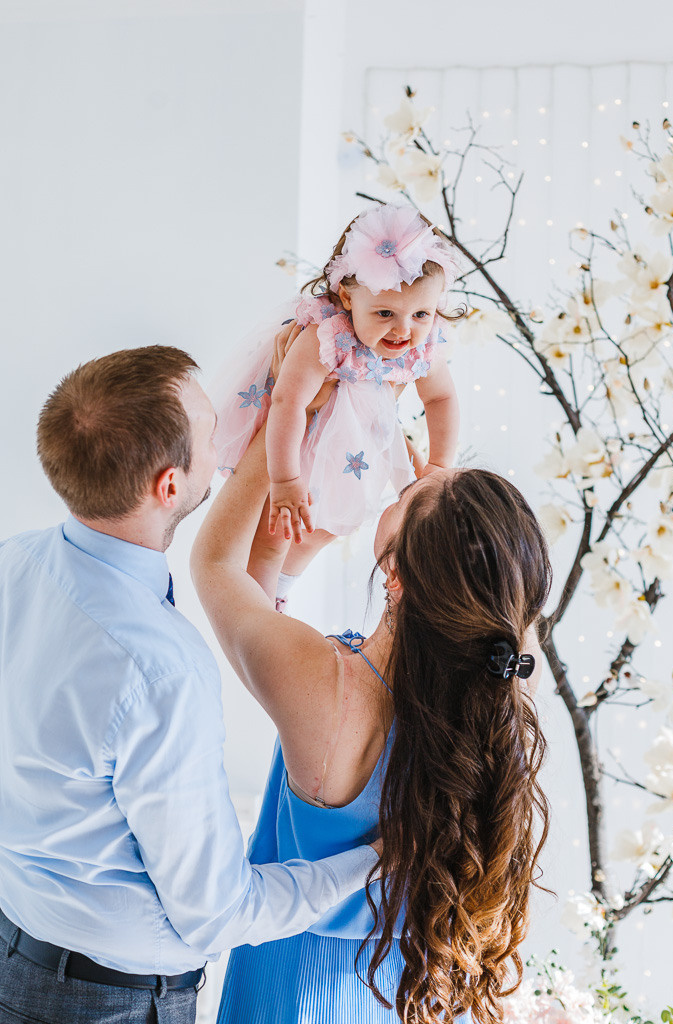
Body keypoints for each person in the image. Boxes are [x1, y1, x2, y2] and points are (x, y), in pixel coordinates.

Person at [0, 345, 380, 1024]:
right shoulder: (160, 671)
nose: (226, 437)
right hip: (106, 1001)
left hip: (16, 949)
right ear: (169, 487)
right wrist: (373, 864)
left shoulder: (13, 564)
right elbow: (216, 915)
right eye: (213, 434)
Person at [191, 405, 552, 1023]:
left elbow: (219, 567)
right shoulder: (506, 692)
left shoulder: (328, 686)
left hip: (299, 986)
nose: (419, 474)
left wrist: (291, 417)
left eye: (412, 494)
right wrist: (438, 511)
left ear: (396, 575)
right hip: (410, 981)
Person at [210, 202, 464, 610]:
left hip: (357, 444)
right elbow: (289, 402)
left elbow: (441, 397)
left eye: (422, 313)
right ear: (346, 297)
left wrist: (439, 463)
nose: (404, 330)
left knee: (326, 528)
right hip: (301, 441)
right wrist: (285, 481)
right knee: (279, 529)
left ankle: (280, 588)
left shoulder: (425, 341)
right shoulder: (327, 336)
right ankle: (258, 612)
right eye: (385, 313)